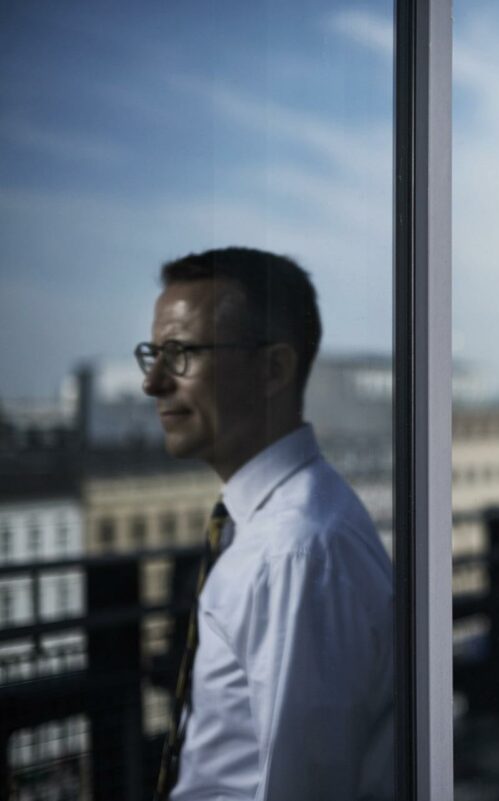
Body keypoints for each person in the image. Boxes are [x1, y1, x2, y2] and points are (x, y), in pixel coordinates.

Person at [137, 247, 394, 800]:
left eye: (180, 353)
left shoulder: (297, 553)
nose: (153, 382)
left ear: (273, 369)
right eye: (152, 355)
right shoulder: (275, 534)